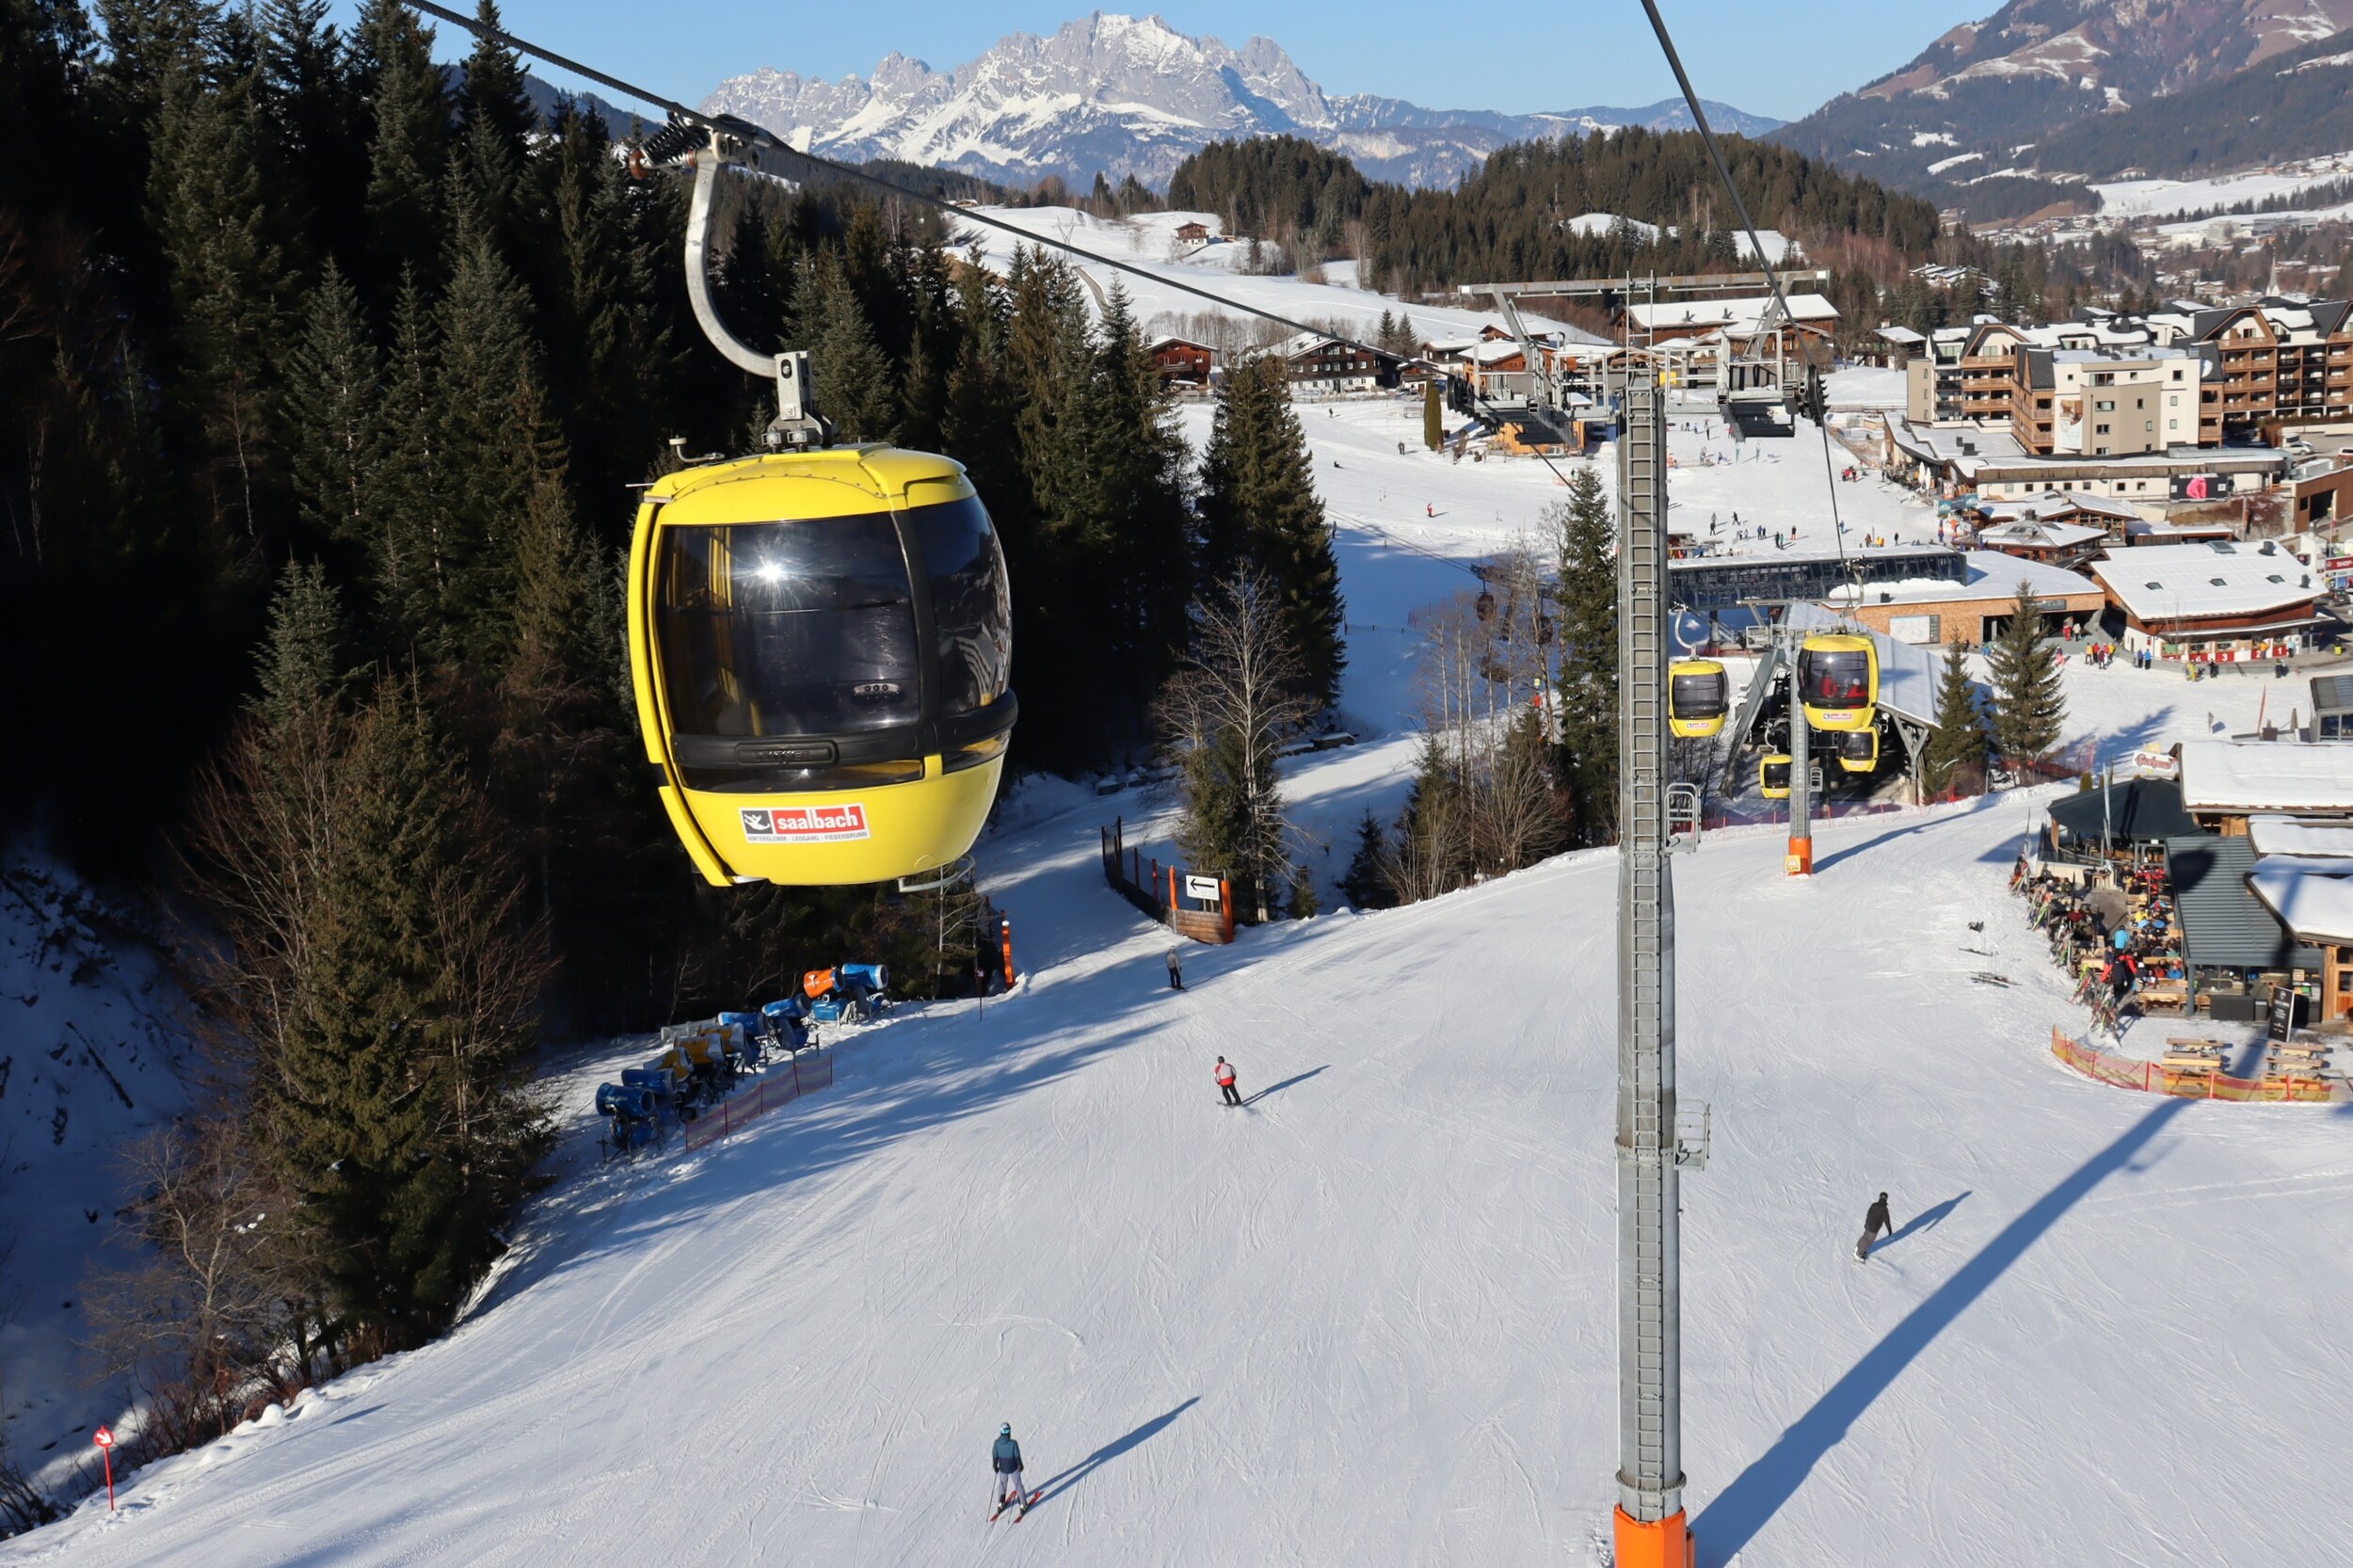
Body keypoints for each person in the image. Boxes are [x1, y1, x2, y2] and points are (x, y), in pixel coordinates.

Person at [991, 1423, 1027, 1518]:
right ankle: (1023, 1505)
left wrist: (995, 1466)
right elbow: (1017, 1456)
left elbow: (995, 1455)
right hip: (1013, 1467)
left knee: (1002, 1484)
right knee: (1018, 1484)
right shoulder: (1013, 1443)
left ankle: (1000, 1503)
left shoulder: (997, 1443)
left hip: (1003, 1468)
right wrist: (1021, 1465)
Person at [1856, 1192, 1894, 1261]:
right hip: (1874, 1228)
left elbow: (1868, 1214)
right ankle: (1859, 1253)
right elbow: (1887, 1221)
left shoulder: (1874, 1205)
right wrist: (1889, 1230)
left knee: (1865, 1237)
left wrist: (1866, 1223)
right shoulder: (1884, 1209)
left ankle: (1860, 1248)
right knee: (1869, 1241)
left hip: (1868, 1225)